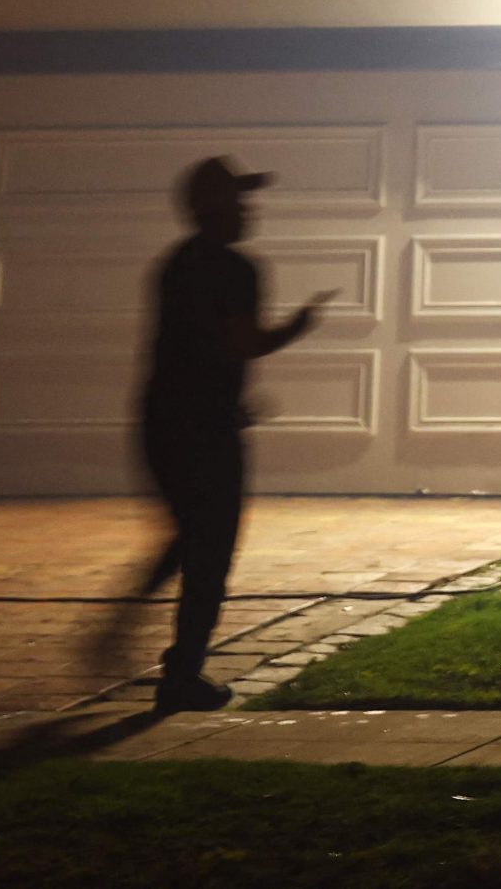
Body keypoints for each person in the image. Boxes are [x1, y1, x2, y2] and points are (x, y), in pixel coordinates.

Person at [107, 156, 330, 711]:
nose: (249, 211)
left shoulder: (174, 263)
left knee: (188, 533)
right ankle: (181, 675)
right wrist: (296, 328)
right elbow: (242, 343)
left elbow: (193, 347)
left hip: (161, 421)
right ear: (214, 209)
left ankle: (131, 616)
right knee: (210, 552)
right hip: (206, 431)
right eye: (239, 201)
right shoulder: (237, 269)